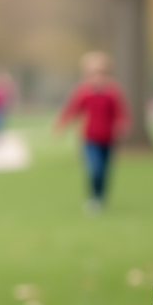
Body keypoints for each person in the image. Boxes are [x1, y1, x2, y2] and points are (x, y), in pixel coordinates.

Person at [55, 51, 129, 212]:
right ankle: (93, 198)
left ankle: (101, 197)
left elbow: (120, 112)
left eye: (100, 73)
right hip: (90, 138)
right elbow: (72, 110)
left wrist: (122, 124)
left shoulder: (112, 91)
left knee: (103, 170)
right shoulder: (84, 91)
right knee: (94, 169)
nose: (97, 77)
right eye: (93, 73)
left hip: (108, 138)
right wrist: (61, 125)